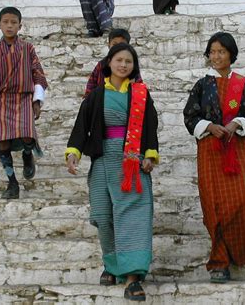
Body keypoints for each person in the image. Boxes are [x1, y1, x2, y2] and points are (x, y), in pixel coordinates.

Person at [65, 43, 158, 302]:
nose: (123, 65)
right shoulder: (96, 95)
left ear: (133, 66)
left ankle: (132, 278)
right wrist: (74, 153)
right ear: (109, 63)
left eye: (128, 61)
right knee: (104, 217)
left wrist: (149, 155)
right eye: (119, 60)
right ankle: (112, 264)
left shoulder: (140, 94)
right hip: (103, 160)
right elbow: (81, 127)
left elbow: (151, 126)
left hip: (132, 162)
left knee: (133, 219)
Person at [183, 32, 245, 283]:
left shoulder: (243, 84)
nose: (216, 56)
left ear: (231, 55)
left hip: (237, 148)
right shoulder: (201, 85)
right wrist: (209, 126)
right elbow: (190, 117)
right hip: (211, 151)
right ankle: (219, 261)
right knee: (214, 206)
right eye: (212, 52)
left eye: (221, 52)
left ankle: (236, 252)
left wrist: (237, 123)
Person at [0, 7, 48, 199]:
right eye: (5, 22)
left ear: (20, 26)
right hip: (2, 100)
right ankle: (12, 182)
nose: (9, 26)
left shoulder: (28, 49)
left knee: (28, 136)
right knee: (2, 143)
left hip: (23, 98)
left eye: (13, 22)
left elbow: (38, 73)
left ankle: (27, 155)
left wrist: (37, 100)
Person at [84, 28, 138, 97]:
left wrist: (133, 85)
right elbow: (91, 86)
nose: (118, 48)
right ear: (109, 45)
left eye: (122, 44)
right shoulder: (101, 65)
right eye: (114, 44)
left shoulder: (131, 66)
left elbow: (140, 90)